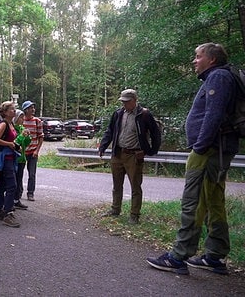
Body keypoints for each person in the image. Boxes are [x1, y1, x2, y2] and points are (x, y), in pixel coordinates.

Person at [146, 43, 239, 275]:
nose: (194, 61)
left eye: (198, 57)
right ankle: (214, 256)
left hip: (208, 151)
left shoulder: (218, 77)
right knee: (214, 202)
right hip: (217, 149)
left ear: (212, 59)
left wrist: (200, 146)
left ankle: (178, 256)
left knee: (193, 201)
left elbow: (213, 114)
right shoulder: (223, 76)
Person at [98, 89, 162, 224]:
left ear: (134, 100)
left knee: (135, 186)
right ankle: (115, 209)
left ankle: (134, 215)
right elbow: (110, 131)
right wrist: (103, 146)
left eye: (126, 102)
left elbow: (156, 133)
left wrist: (151, 150)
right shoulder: (118, 113)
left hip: (134, 155)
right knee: (117, 184)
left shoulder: (144, 114)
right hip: (118, 153)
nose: (124, 104)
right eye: (123, 102)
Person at [0, 101, 21, 227]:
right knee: (12, 186)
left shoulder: (11, 123)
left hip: (10, 157)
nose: (14, 111)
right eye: (12, 109)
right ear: (5, 112)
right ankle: (8, 213)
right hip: (5, 158)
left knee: (3, 184)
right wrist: (9, 144)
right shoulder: (3, 124)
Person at [16, 100, 43, 204]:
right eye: (31, 108)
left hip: (32, 152)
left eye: (33, 107)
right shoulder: (21, 121)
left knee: (32, 174)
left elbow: (40, 137)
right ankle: (18, 193)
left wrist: (37, 150)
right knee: (19, 173)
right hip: (22, 153)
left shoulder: (37, 121)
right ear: (26, 109)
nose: (33, 109)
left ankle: (30, 193)